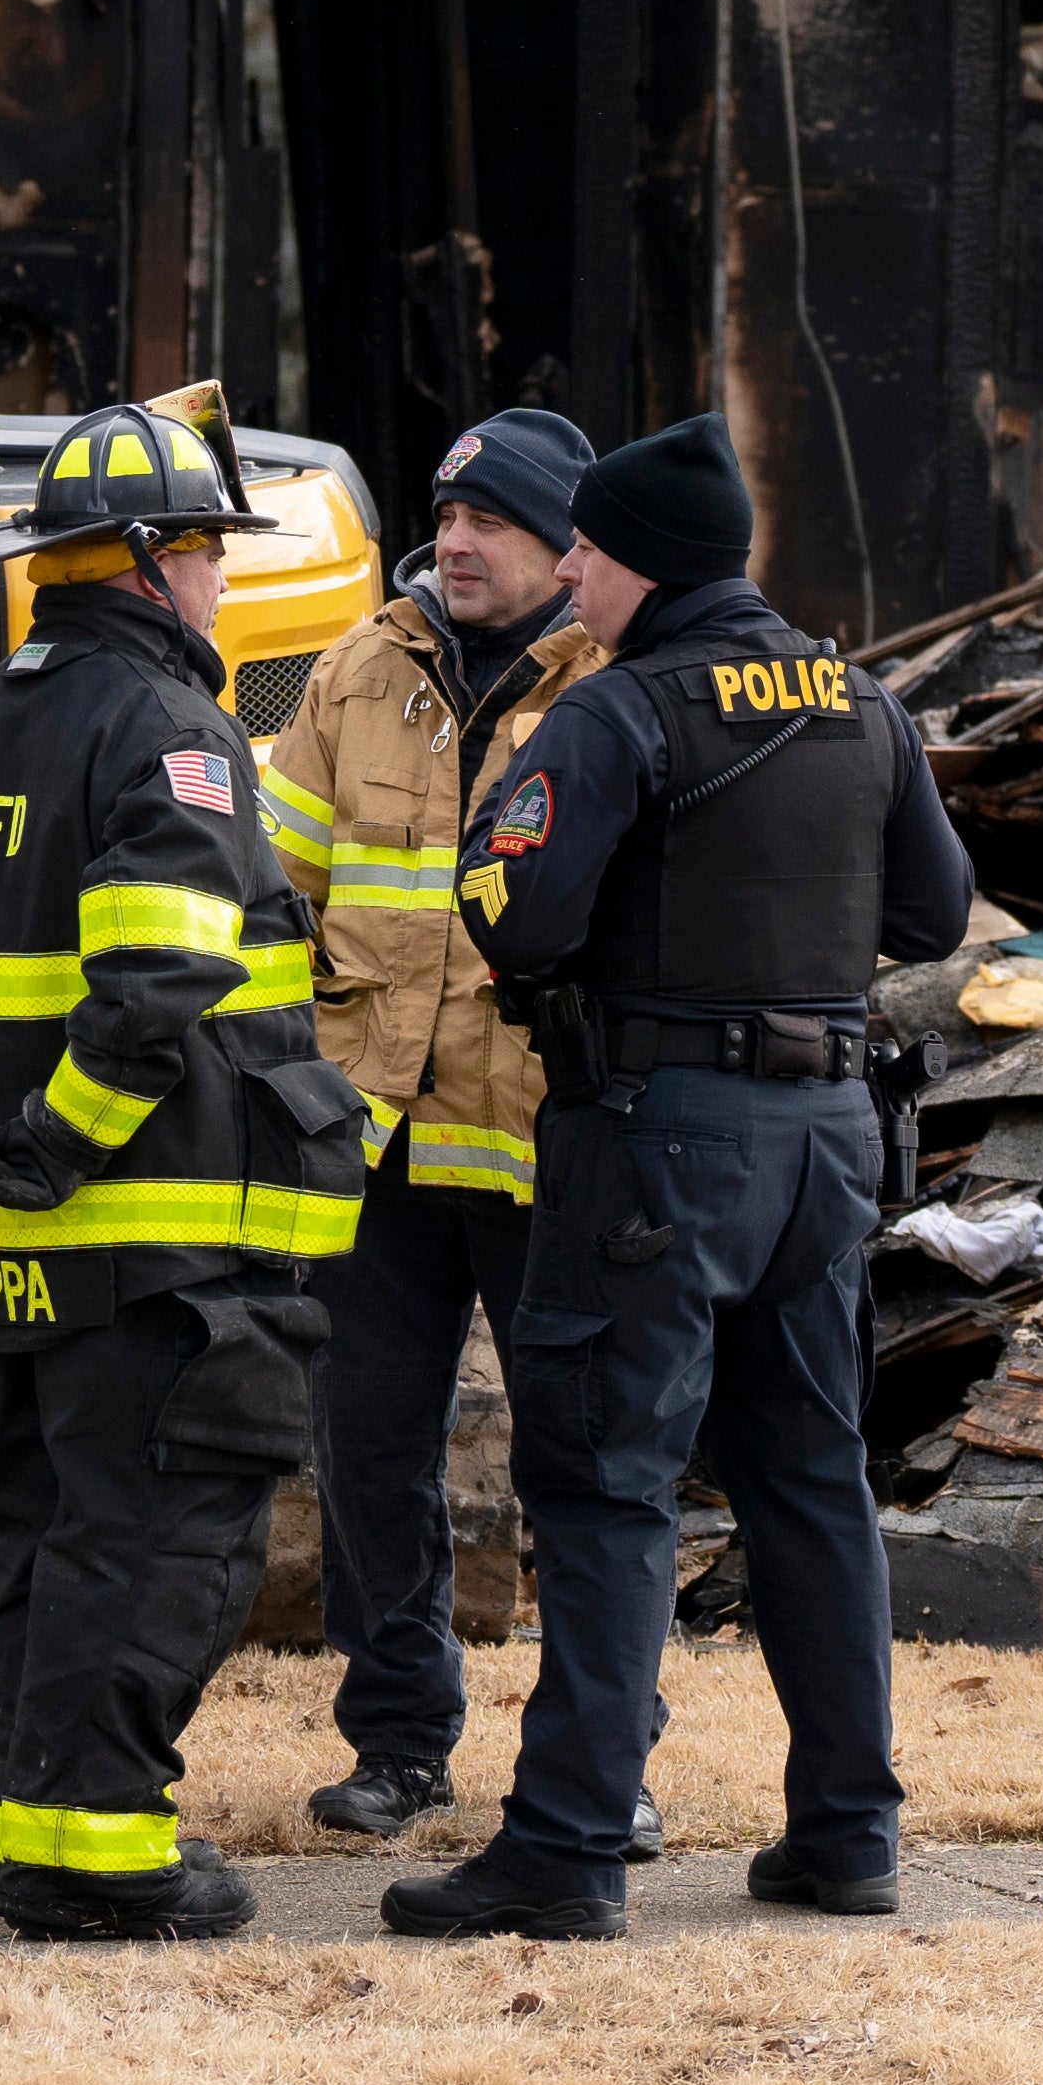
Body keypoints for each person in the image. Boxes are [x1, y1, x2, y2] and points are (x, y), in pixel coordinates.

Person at [387, 411, 967, 1942]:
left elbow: (512, 919)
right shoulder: (859, 700)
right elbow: (940, 912)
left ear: (639, 565)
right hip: (827, 1143)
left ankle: (567, 1850)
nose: (567, 572)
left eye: (583, 550)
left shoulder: (624, 710)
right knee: (811, 1482)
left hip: (651, 1141)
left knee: (605, 1487)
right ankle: (849, 1836)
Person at [0, 401, 363, 1941]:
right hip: (161, 1245)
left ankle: (43, 1845)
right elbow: (158, 978)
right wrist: (57, 1141)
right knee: (164, 1547)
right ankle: (106, 1858)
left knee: (52, 1548)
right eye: (204, 555)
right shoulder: (173, 735)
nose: (218, 588)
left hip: (16, 1256)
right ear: (143, 565)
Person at [245, 405, 607, 1845]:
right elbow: (278, 897)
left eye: (493, 523)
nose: (454, 543)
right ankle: (397, 1740)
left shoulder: (615, 686)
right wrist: (294, 1086)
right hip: (376, 1144)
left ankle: (598, 1753)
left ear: (565, 548)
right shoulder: (354, 671)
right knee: (368, 1448)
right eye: (447, 518)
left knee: (579, 1460)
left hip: (545, 1143)